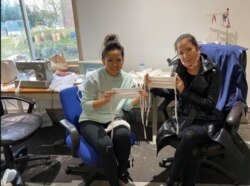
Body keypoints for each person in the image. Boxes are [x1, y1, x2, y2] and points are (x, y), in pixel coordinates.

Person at [145, 33, 224, 186]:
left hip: (206, 119)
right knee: (193, 151)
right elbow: (171, 92)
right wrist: (151, 87)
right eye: (181, 52)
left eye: (189, 49)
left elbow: (209, 104)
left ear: (198, 48)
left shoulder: (213, 71)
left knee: (188, 137)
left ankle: (172, 181)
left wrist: (184, 91)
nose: (185, 56)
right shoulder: (178, 68)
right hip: (184, 118)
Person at [79, 34, 147, 186]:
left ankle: (122, 172)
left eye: (119, 60)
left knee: (123, 136)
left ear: (123, 60)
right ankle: (114, 182)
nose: (115, 64)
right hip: (91, 119)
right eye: (110, 60)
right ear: (103, 60)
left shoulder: (127, 78)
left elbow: (126, 106)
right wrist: (103, 100)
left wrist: (138, 98)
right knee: (106, 146)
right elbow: (85, 106)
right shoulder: (93, 78)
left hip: (114, 118)